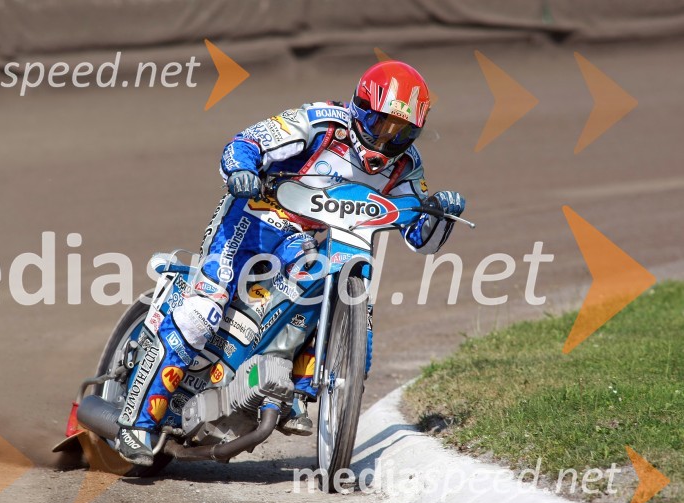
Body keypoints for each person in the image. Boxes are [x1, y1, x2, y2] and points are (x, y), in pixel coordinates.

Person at [115, 60, 466, 466]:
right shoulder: (318, 122)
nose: (388, 138)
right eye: (381, 122)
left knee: (317, 283)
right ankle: (136, 421)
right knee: (202, 311)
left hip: (303, 237)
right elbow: (245, 142)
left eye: (401, 130)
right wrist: (242, 170)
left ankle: (293, 389)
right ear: (360, 106)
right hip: (250, 221)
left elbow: (420, 238)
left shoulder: (406, 165)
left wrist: (439, 213)